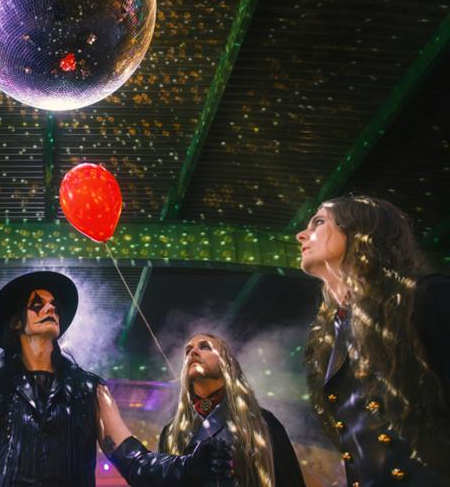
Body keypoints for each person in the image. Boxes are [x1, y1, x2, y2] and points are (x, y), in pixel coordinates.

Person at [0, 271, 234, 487]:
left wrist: (188, 467)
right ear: (16, 322)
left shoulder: (91, 389)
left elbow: (133, 460)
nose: (50, 309)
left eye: (53, 304)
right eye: (37, 304)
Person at [297, 195, 450, 486]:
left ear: (359, 231)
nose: (301, 235)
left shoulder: (427, 296)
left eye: (318, 222)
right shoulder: (331, 331)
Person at [155, 333, 305, 487]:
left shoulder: (263, 422)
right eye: (188, 351)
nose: (192, 352)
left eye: (205, 347)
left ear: (227, 364)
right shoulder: (170, 433)